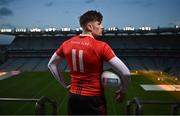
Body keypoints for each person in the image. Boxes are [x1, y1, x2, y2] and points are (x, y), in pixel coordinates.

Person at [48, 10, 130, 115]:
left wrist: (65, 85)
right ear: (90, 27)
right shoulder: (102, 46)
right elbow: (126, 73)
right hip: (94, 99)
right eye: (99, 23)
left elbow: (51, 64)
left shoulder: (66, 44)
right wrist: (123, 91)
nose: (102, 27)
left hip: (74, 98)